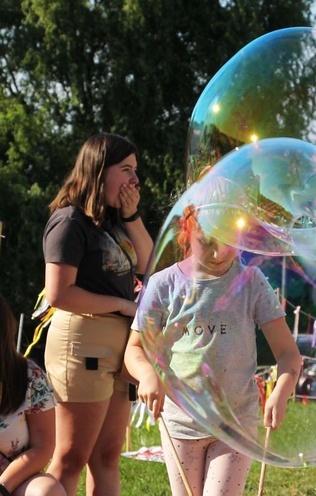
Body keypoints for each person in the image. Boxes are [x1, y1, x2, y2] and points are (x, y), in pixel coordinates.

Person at [124, 200, 302, 496]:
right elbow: (134, 349)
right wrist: (146, 375)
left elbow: (288, 353)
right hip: (180, 422)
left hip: (236, 422)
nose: (219, 253)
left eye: (229, 242)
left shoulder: (251, 283)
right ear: (187, 230)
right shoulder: (164, 285)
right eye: (207, 242)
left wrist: (281, 391)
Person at [42, 133, 154, 496]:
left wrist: (132, 215)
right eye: (126, 170)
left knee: (107, 456)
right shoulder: (70, 220)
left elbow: (149, 261)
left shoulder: (113, 220)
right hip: (82, 341)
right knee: (72, 457)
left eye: (135, 171)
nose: (134, 180)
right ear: (99, 170)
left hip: (119, 348)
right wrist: (122, 305)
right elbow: (60, 294)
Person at [0, 294, 65, 496]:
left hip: (12, 480)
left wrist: (2, 488)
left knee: (48, 491)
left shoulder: (29, 375)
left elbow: (43, 446)